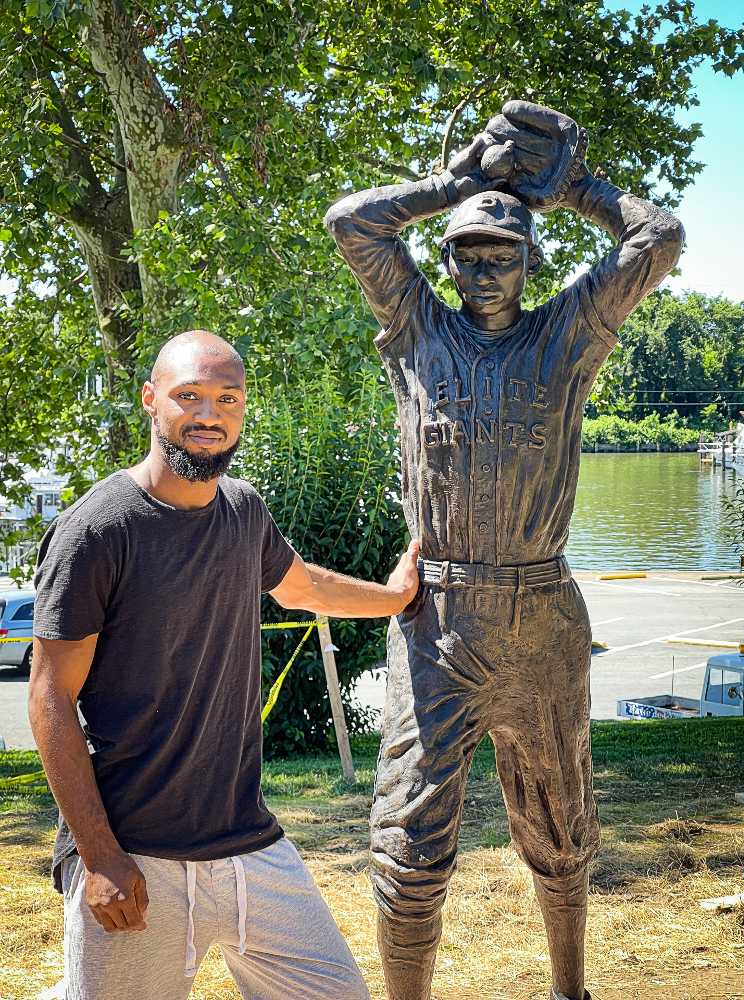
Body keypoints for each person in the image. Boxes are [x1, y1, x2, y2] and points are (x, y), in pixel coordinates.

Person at [324, 101, 684, 1000]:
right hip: (438, 624)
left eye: (505, 255)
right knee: (407, 846)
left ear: (531, 262)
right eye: (469, 255)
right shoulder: (416, 328)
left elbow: (661, 235)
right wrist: (455, 184)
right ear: (445, 264)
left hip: (542, 618)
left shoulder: (568, 335)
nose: (486, 271)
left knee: (563, 835)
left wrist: (577, 189)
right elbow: (350, 222)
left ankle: (571, 991)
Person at [28, 329, 420, 1000]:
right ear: (152, 401)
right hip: (137, 857)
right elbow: (49, 700)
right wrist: (98, 856)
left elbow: (302, 587)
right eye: (190, 397)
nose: (210, 415)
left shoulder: (243, 512)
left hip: (250, 846)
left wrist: (395, 597)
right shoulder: (98, 530)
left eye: (227, 399)